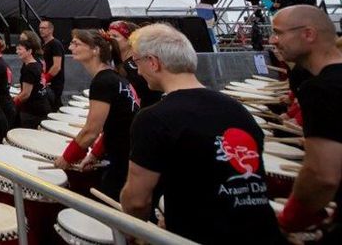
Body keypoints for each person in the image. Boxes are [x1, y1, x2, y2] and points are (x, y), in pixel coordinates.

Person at [120, 24, 283, 244]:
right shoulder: (236, 109)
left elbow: (136, 200)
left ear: (153, 62)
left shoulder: (154, 118)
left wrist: (135, 233)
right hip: (264, 234)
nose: (137, 71)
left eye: (137, 62)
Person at [268, 5, 342, 242]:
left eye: (278, 33)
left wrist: (289, 220)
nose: (273, 40)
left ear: (308, 34)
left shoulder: (320, 89)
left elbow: (323, 175)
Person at [54, 29, 139, 199]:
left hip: (124, 160)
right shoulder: (115, 77)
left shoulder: (103, 81)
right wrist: (94, 154)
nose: (71, 47)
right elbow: (115, 126)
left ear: (96, 50)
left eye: (76, 44)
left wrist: (67, 158)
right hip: (127, 154)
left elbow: (91, 130)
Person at [107, 21, 163, 108]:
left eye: (115, 36)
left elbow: (136, 99)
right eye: (109, 35)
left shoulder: (133, 66)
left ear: (129, 40)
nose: (110, 39)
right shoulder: (122, 63)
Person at [13, 32, 51, 128]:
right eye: (17, 49)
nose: (17, 52)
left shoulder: (29, 68)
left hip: (32, 111)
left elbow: (26, 94)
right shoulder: (37, 63)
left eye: (20, 49)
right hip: (42, 106)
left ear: (29, 51)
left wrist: (12, 103)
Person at [39, 19, 66, 109]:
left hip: (54, 83)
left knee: (54, 107)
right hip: (47, 82)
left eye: (44, 28)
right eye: (40, 28)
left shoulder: (55, 44)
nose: (41, 30)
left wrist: (45, 79)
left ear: (51, 30)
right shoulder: (44, 45)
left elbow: (57, 66)